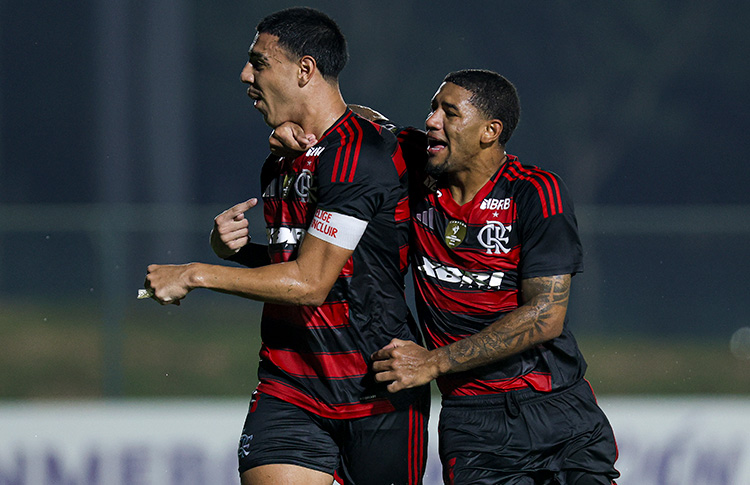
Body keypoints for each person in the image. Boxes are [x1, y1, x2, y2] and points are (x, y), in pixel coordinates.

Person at [272, 69, 619, 484]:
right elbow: (349, 121)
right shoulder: (415, 167)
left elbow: (545, 315)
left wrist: (433, 361)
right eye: (433, 108)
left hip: (558, 408)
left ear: (490, 131)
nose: (432, 120)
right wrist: (299, 130)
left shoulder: (536, 191)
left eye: (449, 112)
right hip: (474, 425)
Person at [144, 7, 429, 485]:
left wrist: (195, 273)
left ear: (305, 69)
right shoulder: (281, 161)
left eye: (258, 62)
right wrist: (238, 251)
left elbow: (311, 282)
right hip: (289, 385)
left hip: (376, 387)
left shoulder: (361, 153)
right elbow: (296, 263)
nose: (244, 75)